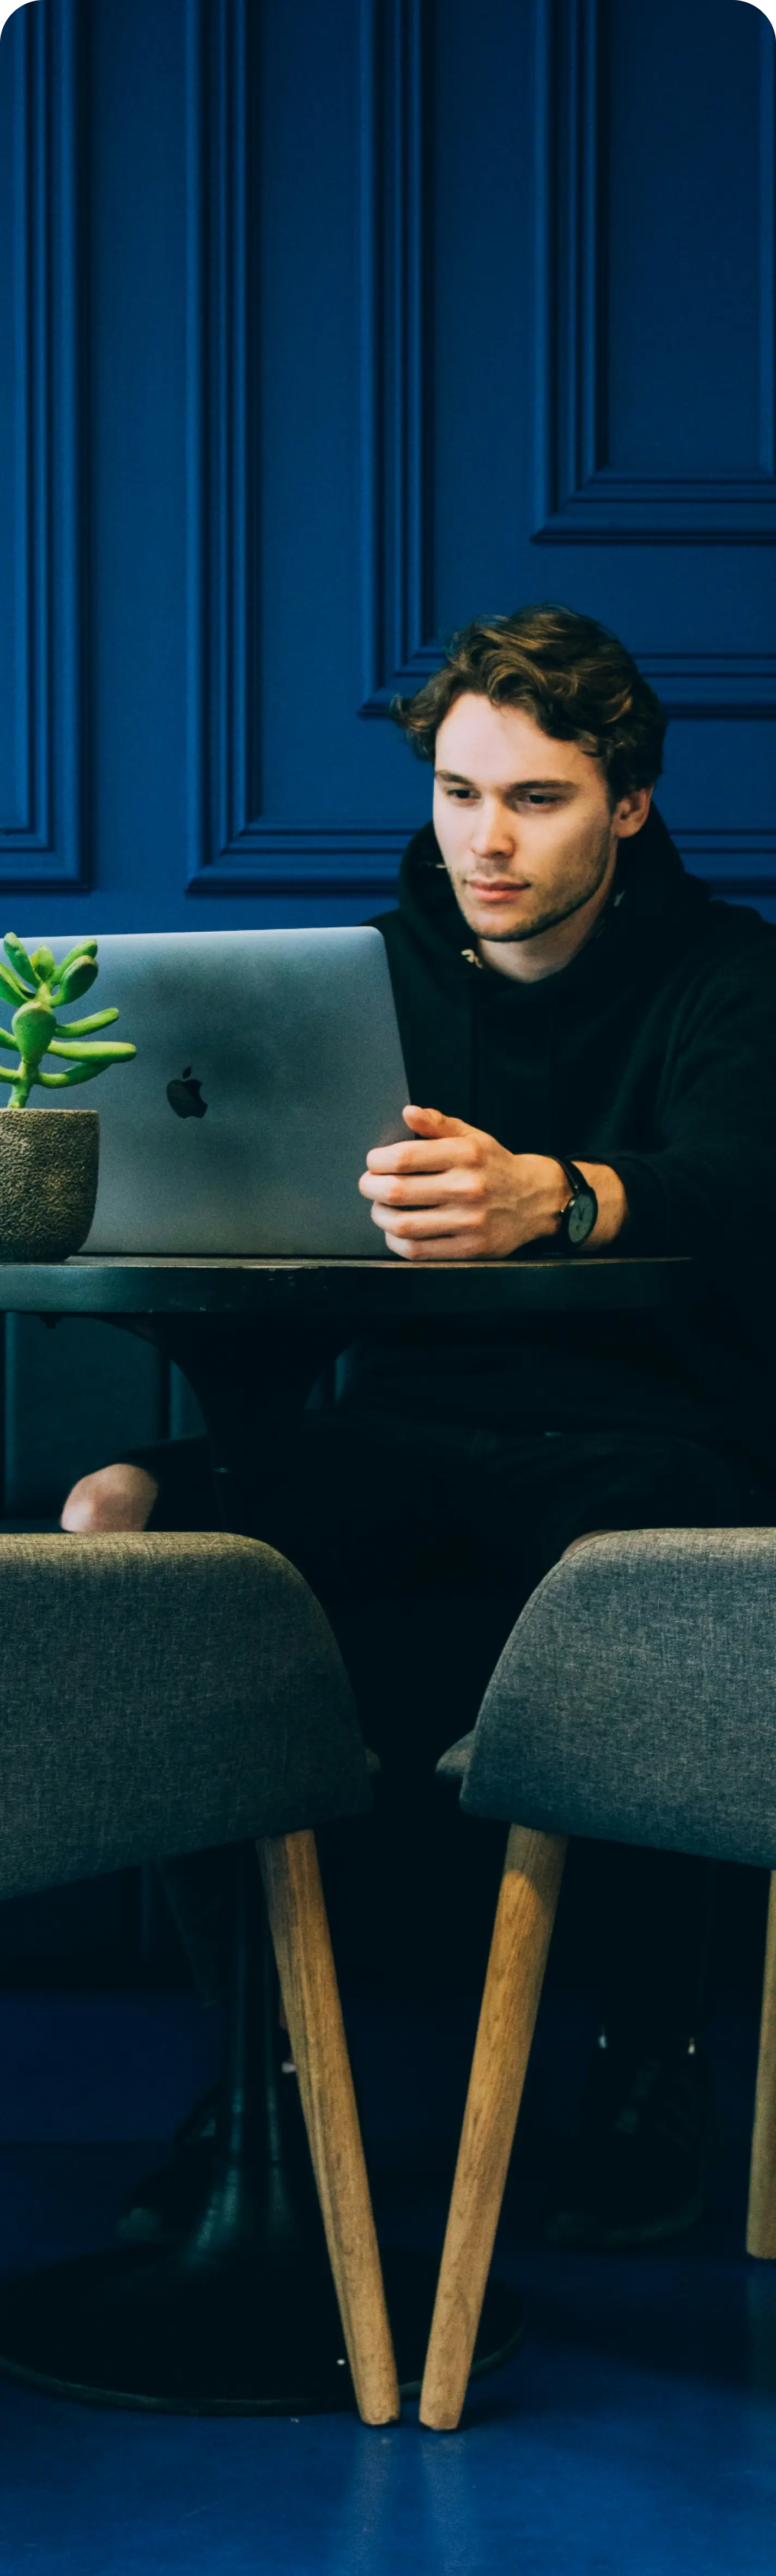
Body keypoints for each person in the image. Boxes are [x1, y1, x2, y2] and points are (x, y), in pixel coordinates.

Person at [62, 604, 776, 2247]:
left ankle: (652, 2068)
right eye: (460, 793)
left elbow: (750, 1185)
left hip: (647, 1445)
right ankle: (267, 2076)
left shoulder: (733, 976)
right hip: (407, 1439)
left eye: (536, 798)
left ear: (630, 804)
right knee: (117, 1514)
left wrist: (559, 1195)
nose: (487, 841)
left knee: (663, 1567)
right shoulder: (361, 984)